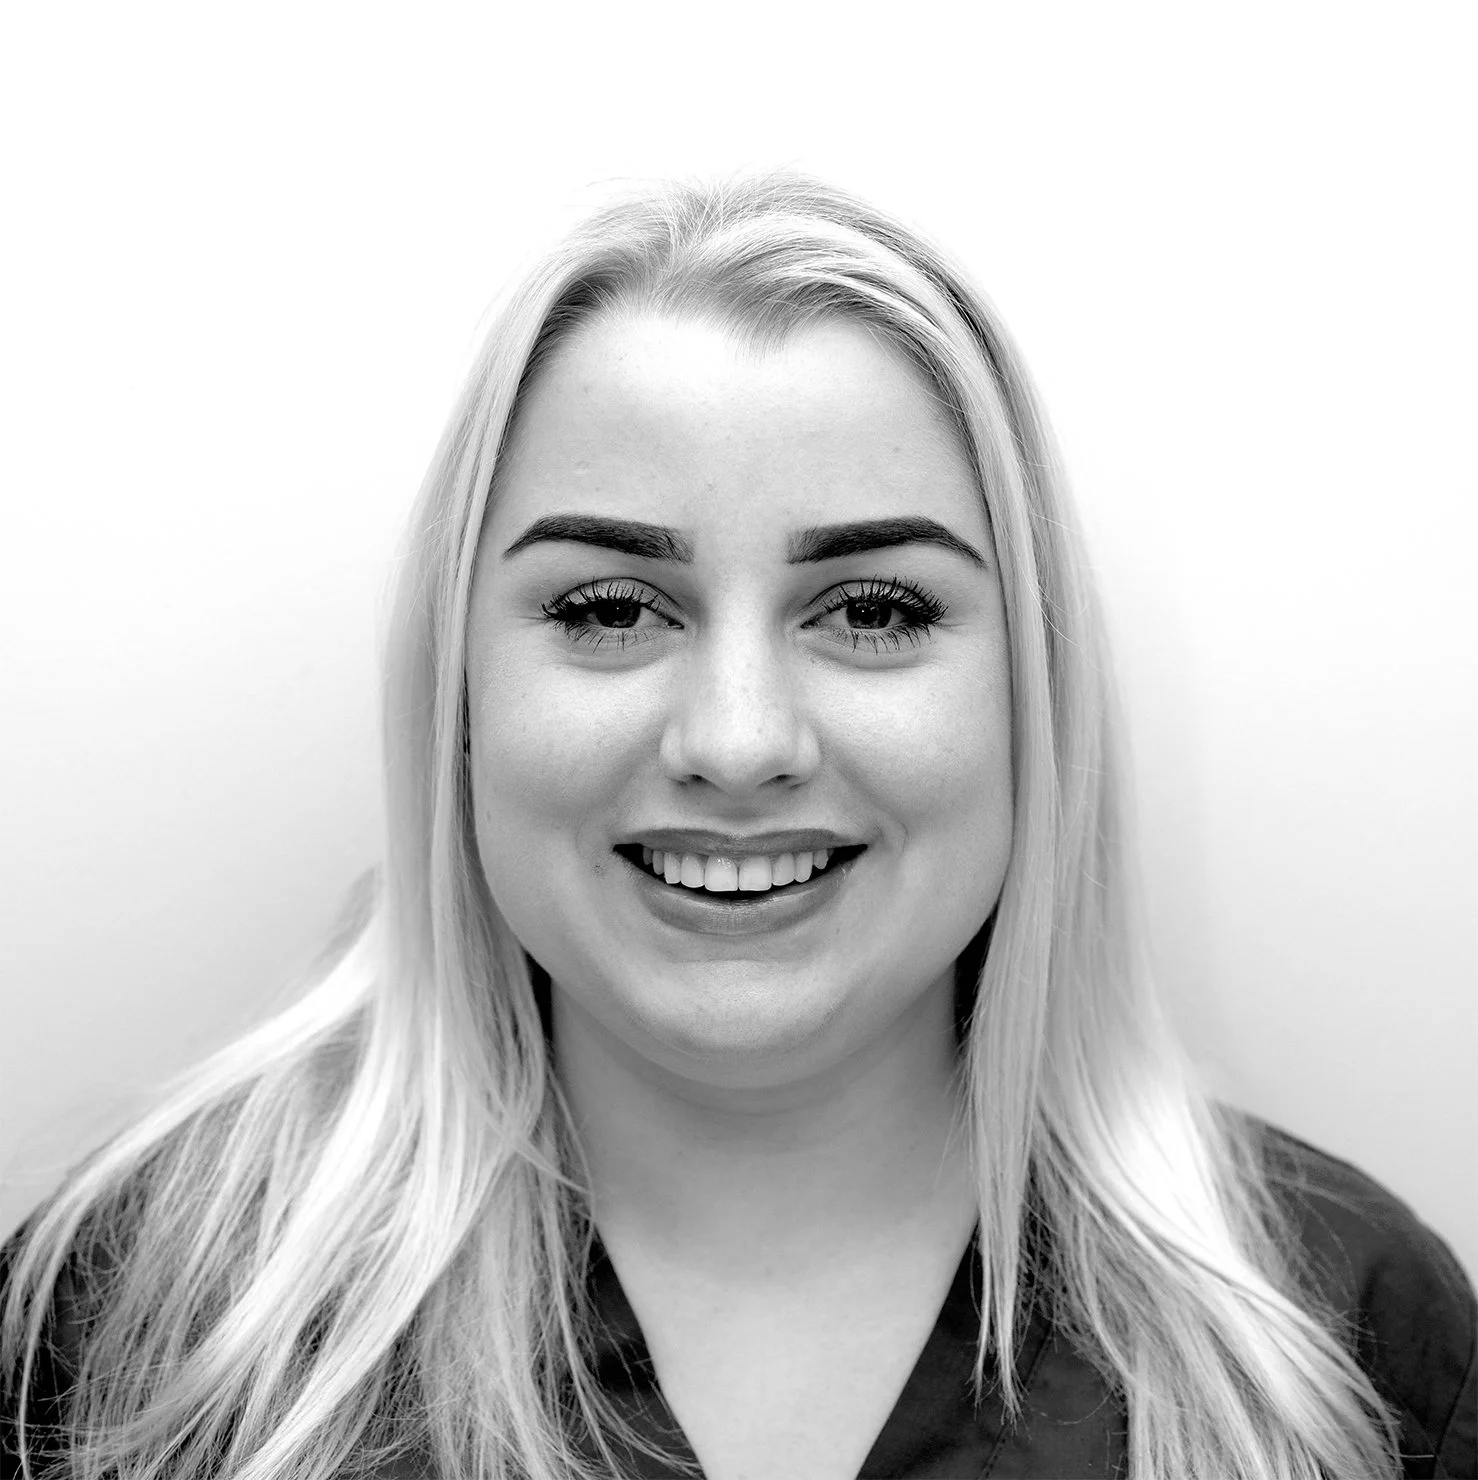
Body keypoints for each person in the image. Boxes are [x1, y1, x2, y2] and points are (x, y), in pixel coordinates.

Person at [1, 171, 1473, 1480]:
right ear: (458, 701)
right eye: (607, 608)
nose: (737, 742)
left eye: (877, 610)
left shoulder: (1339, 1337)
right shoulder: (135, 1318)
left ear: (1036, 701)